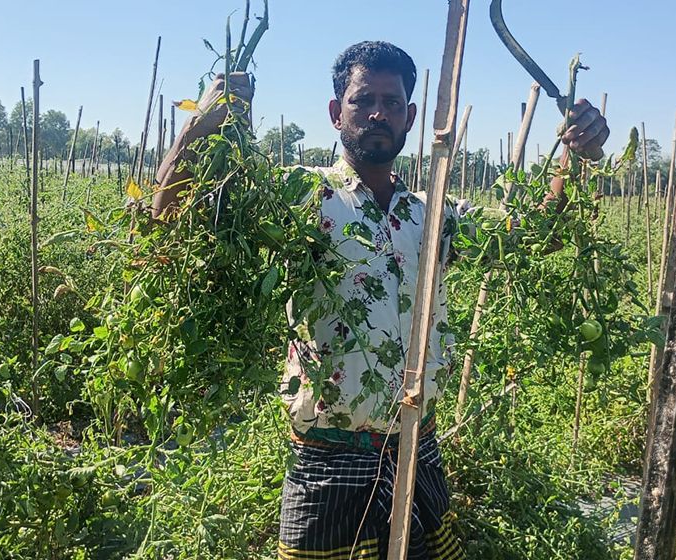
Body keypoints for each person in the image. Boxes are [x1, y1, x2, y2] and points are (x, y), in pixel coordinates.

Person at [153, 41, 608, 560]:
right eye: (362, 99)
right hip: (328, 463)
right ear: (334, 112)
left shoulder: (432, 212)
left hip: (417, 450)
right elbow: (168, 216)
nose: (378, 113)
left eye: (392, 103)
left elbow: (531, 236)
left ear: (411, 117)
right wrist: (201, 125)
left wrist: (575, 153)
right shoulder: (299, 197)